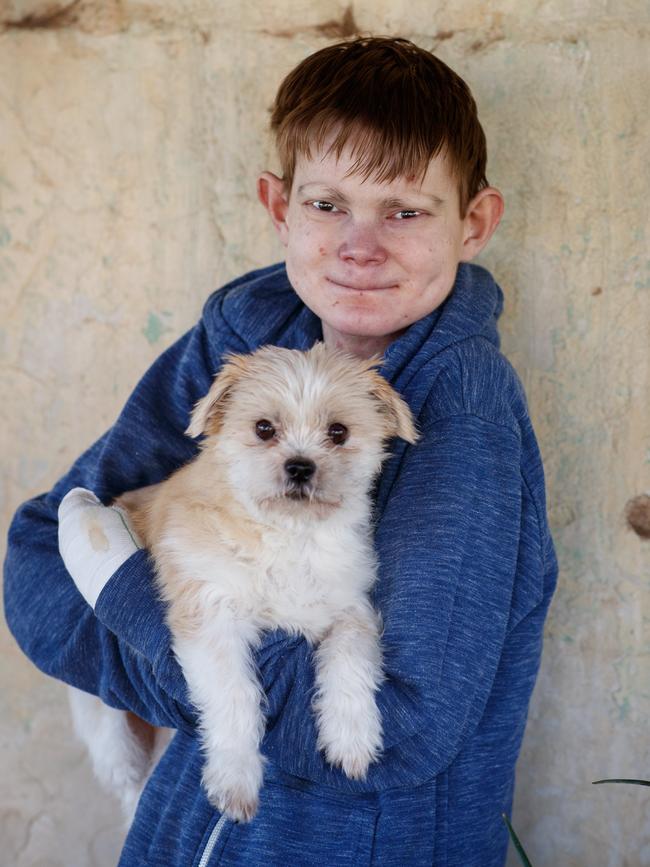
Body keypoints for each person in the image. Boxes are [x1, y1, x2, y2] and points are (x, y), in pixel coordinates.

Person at [3, 36, 558, 866]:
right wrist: (195, 658)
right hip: (184, 830)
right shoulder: (237, 340)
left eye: (405, 210)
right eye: (328, 203)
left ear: (473, 223)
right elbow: (40, 553)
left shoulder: (462, 407)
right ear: (279, 207)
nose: (359, 245)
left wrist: (142, 611)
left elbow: (397, 732)